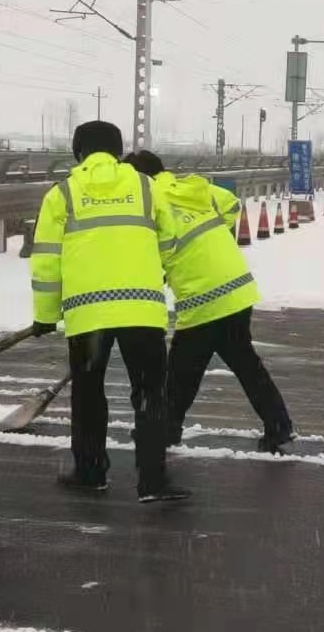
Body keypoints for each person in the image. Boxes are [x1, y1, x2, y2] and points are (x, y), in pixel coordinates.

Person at [28, 121, 188, 502]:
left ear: (78, 152)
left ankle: (91, 472)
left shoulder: (61, 194)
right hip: (142, 310)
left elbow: (46, 263)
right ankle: (152, 481)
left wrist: (45, 314)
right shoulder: (147, 187)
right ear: (118, 151)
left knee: (87, 394)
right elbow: (172, 241)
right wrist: (155, 276)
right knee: (150, 394)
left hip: (88, 316)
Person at [126, 150, 296, 453]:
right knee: (243, 363)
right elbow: (231, 205)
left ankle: (165, 430)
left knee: (182, 368)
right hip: (237, 286)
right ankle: (278, 425)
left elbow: (153, 249)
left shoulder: (150, 200)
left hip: (204, 295)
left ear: (139, 178)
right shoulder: (194, 188)